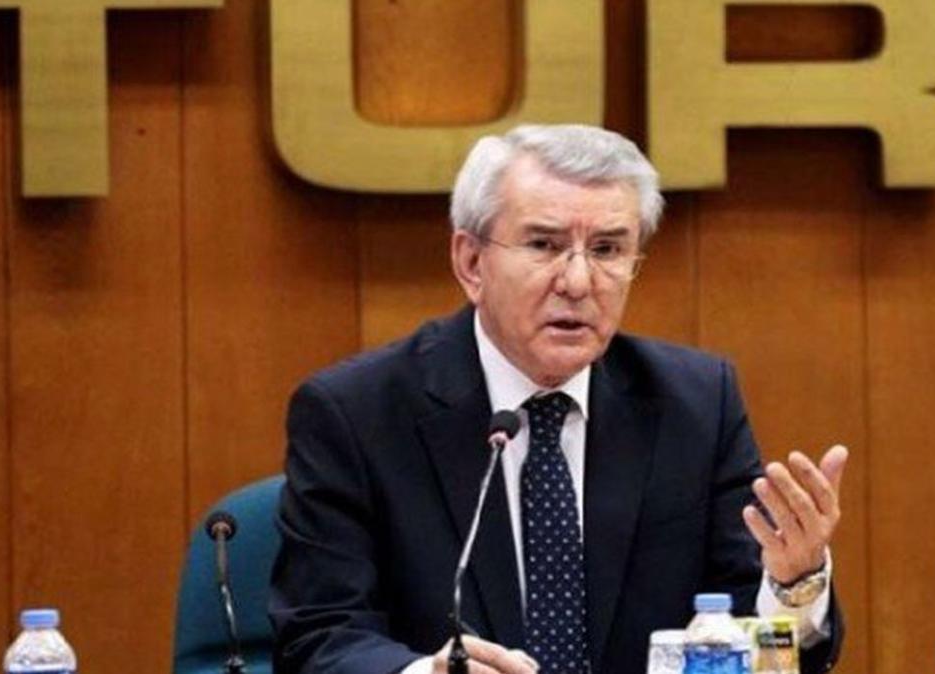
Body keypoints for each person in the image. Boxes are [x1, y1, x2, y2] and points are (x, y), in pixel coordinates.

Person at [270, 124, 848, 674]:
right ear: (471, 263)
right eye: (544, 245)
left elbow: (744, 628)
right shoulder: (357, 414)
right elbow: (320, 635)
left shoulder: (696, 403)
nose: (577, 282)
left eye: (607, 249)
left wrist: (793, 585)